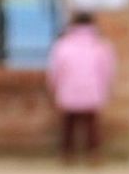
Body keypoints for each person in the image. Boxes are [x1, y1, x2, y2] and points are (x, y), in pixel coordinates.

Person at [45, 12, 116, 165]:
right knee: (91, 126)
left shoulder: (63, 45)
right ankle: (94, 155)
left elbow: (55, 71)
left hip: (68, 91)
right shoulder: (100, 46)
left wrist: (53, 88)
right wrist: (105, 89)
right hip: (92, 90)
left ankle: (67, 156)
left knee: (68, 126)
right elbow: (107, 71)